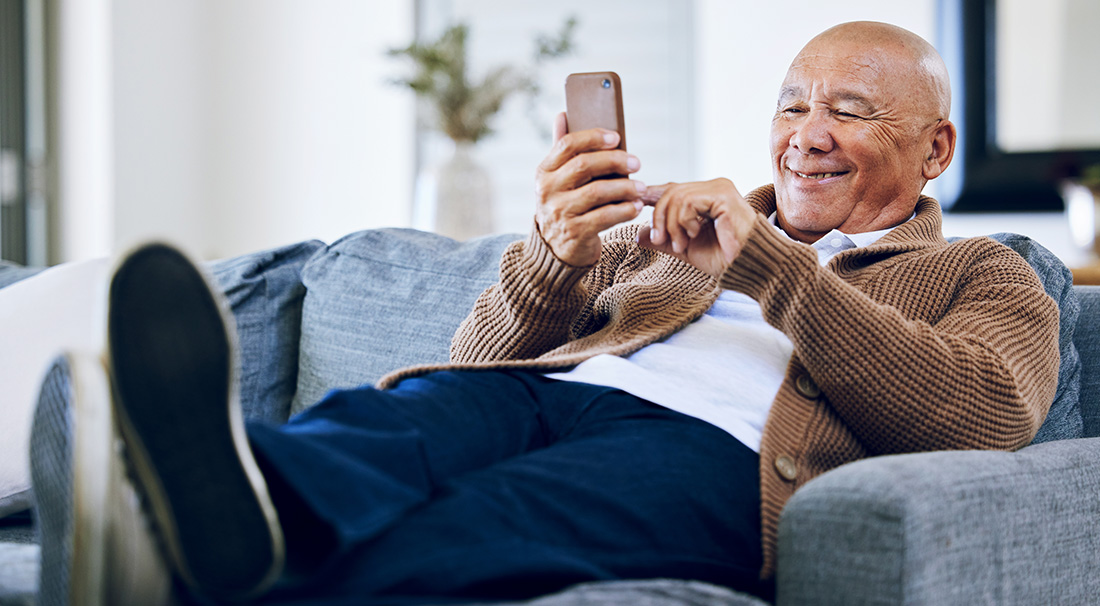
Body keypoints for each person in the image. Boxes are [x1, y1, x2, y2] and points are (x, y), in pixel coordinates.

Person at [30, 20, 1059, 606]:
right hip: (552, 395)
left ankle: (170, 572)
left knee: (477, 527)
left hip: (714, 457)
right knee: (404, 421)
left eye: (847, 109)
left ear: (933, 149)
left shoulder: (987, 270)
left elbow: (979, 415)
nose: (804, 134)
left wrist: (775, 273)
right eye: (791, 103)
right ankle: (198, 495)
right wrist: (553, 256)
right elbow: (472, 357)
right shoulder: (665, 236)